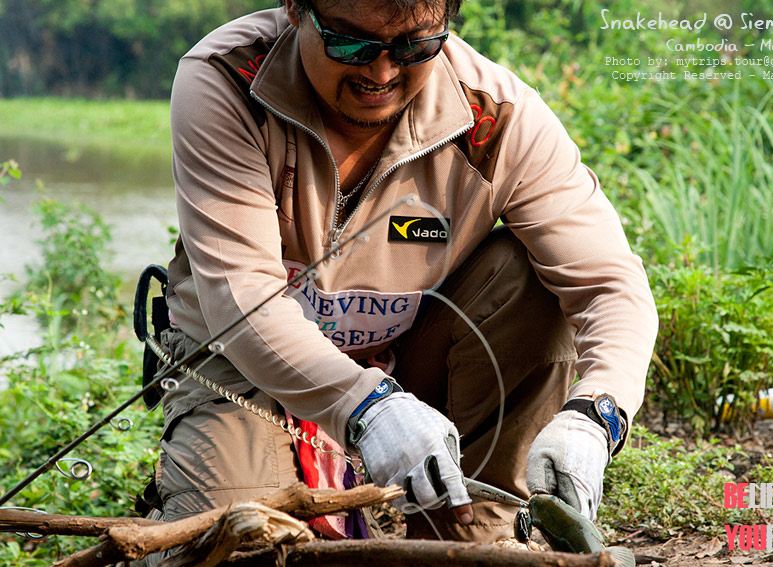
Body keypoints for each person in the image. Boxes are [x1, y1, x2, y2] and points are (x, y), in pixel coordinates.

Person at [152, 0, 657, 544]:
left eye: (415, 45)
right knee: (239, 542)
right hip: (243, 371)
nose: (382, 73)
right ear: (295, 8)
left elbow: (610, 285)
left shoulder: (497, 117)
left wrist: (597, 412)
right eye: (351, 43)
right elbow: (242, 301)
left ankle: (475, 528)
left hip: (410, 357)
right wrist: (368, 405)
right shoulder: (230, 78)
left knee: (526, 277)